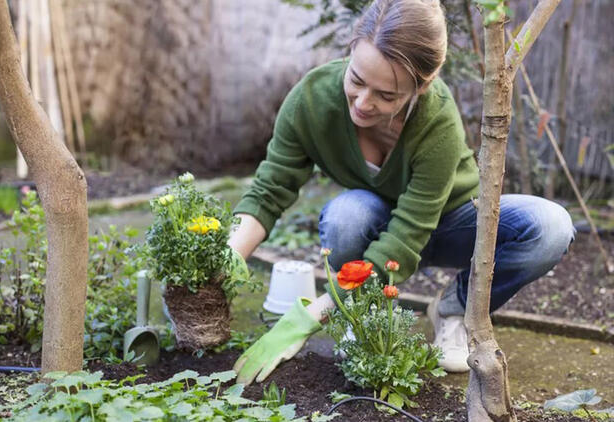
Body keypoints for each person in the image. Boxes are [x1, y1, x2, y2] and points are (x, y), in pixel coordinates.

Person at [227, 0, 575, 384]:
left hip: (450, 224)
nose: (363, 103)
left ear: (422, 86)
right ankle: (366, 313)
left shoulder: (436, 118)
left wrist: (321, 309)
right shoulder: (311, 101)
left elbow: (409, 232)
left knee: (551, 227)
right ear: (350, 50)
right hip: (376, 226)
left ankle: (453, 309)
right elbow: (268, 190)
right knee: (348, 215)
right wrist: (225, 263)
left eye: (386, 96)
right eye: (357, 80)